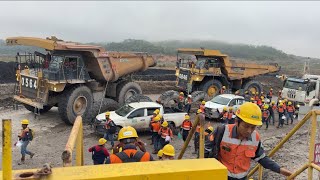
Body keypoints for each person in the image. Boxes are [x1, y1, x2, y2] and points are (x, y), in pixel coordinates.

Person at [210, 102, 292, 180]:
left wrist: (280, 169)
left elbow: (262, 158)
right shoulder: (222, 131)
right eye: (246, 126)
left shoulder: (255, 138)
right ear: (237, 122)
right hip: (221, 176)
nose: (249, 131)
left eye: (253, 127)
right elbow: (206, 153)